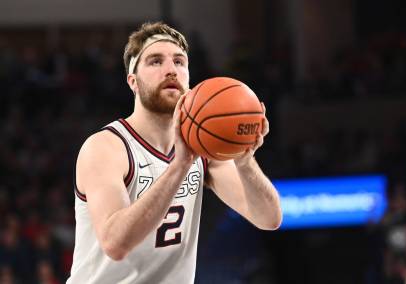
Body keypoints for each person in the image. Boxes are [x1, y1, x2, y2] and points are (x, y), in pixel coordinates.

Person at [66, 22, 282, 284]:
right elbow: (116, 244)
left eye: (179, 62)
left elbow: (269, 218)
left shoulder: (204, 148)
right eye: (155, 62)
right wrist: (179, 166)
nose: (171, 70)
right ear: (133, 81)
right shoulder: (106, 147)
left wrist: (245, 162)